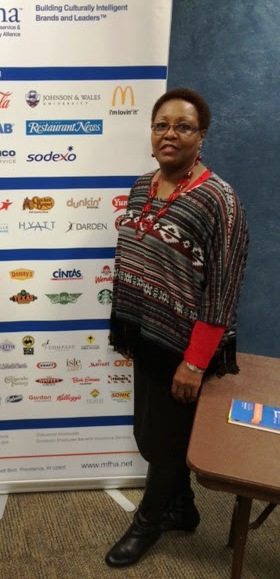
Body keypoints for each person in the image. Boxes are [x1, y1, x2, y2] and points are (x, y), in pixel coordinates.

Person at [105, 87, 248, 568]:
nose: (170, 134)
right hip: (147, 334)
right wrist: (129, 324)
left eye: (183, 126)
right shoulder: (141, 187)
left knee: (164, 442)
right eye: (161, 125)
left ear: (200, 137)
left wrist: (195, 362)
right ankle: (183, 508)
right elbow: (132, 258)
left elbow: (224, 289)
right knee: (151, 435)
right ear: (151, 134)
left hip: (186, 346)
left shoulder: (219, 200)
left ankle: (147, 521)